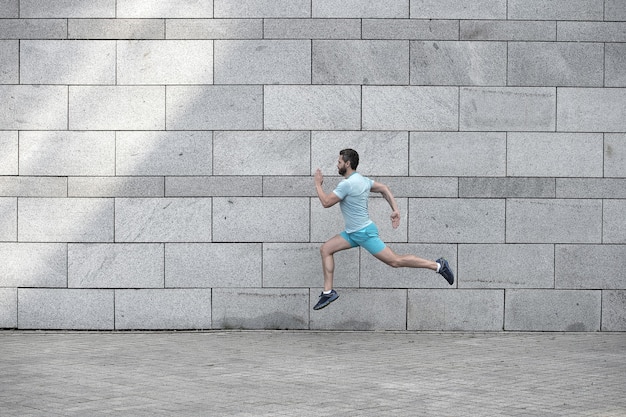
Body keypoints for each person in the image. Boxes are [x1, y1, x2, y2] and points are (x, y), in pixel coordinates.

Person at [313, 148, 454, 311]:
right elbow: (384, 188)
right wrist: (395, 209)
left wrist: (318, 184)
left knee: (395, 261)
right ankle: (328, 292)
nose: (337, 165)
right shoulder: (363, 180)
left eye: (339, 162)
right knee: (326, 249)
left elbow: (326, 202)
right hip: (353, 233)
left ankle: (438, 266)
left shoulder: (347, 184)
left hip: (364, 233)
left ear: (347, 163)